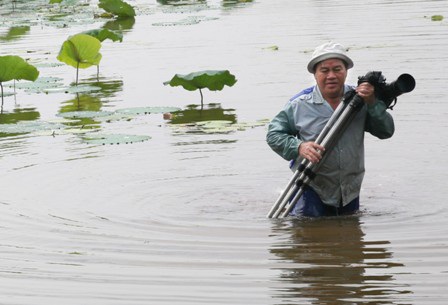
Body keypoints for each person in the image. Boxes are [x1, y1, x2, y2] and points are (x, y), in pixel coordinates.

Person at [266, 42, 395, 217]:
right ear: (315, 73)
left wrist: (373, 104)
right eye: (324, 71)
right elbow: (274, 134)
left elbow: (386, 131)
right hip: (310, 185)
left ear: (346, 71)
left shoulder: (362, 100)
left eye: (337, 69)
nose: (331, 76)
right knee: (308, 238)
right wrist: (299, 146)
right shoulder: (300, 104)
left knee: (349, 239)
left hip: (349, 189)